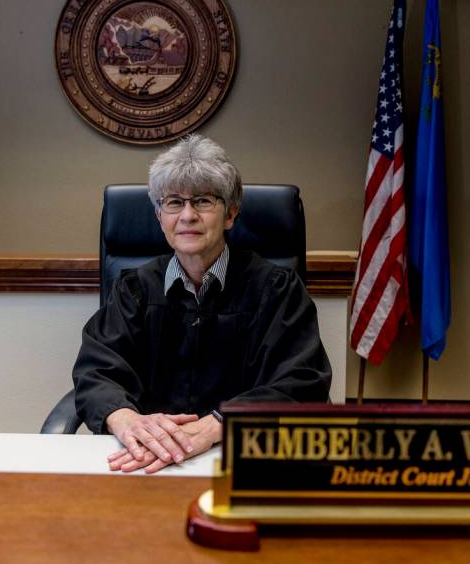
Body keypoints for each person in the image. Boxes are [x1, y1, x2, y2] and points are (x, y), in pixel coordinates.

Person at [73, 135, 331, 474]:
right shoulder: (134, 289)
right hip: (145, 461)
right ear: (158, 216)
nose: (188, 216)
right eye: (174, 202)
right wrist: (126, 420)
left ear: (231, 214)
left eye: (203, 201)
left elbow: (302, 380)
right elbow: (97, 370)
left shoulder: (275, 289)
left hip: (244, 457)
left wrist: (217, 424)